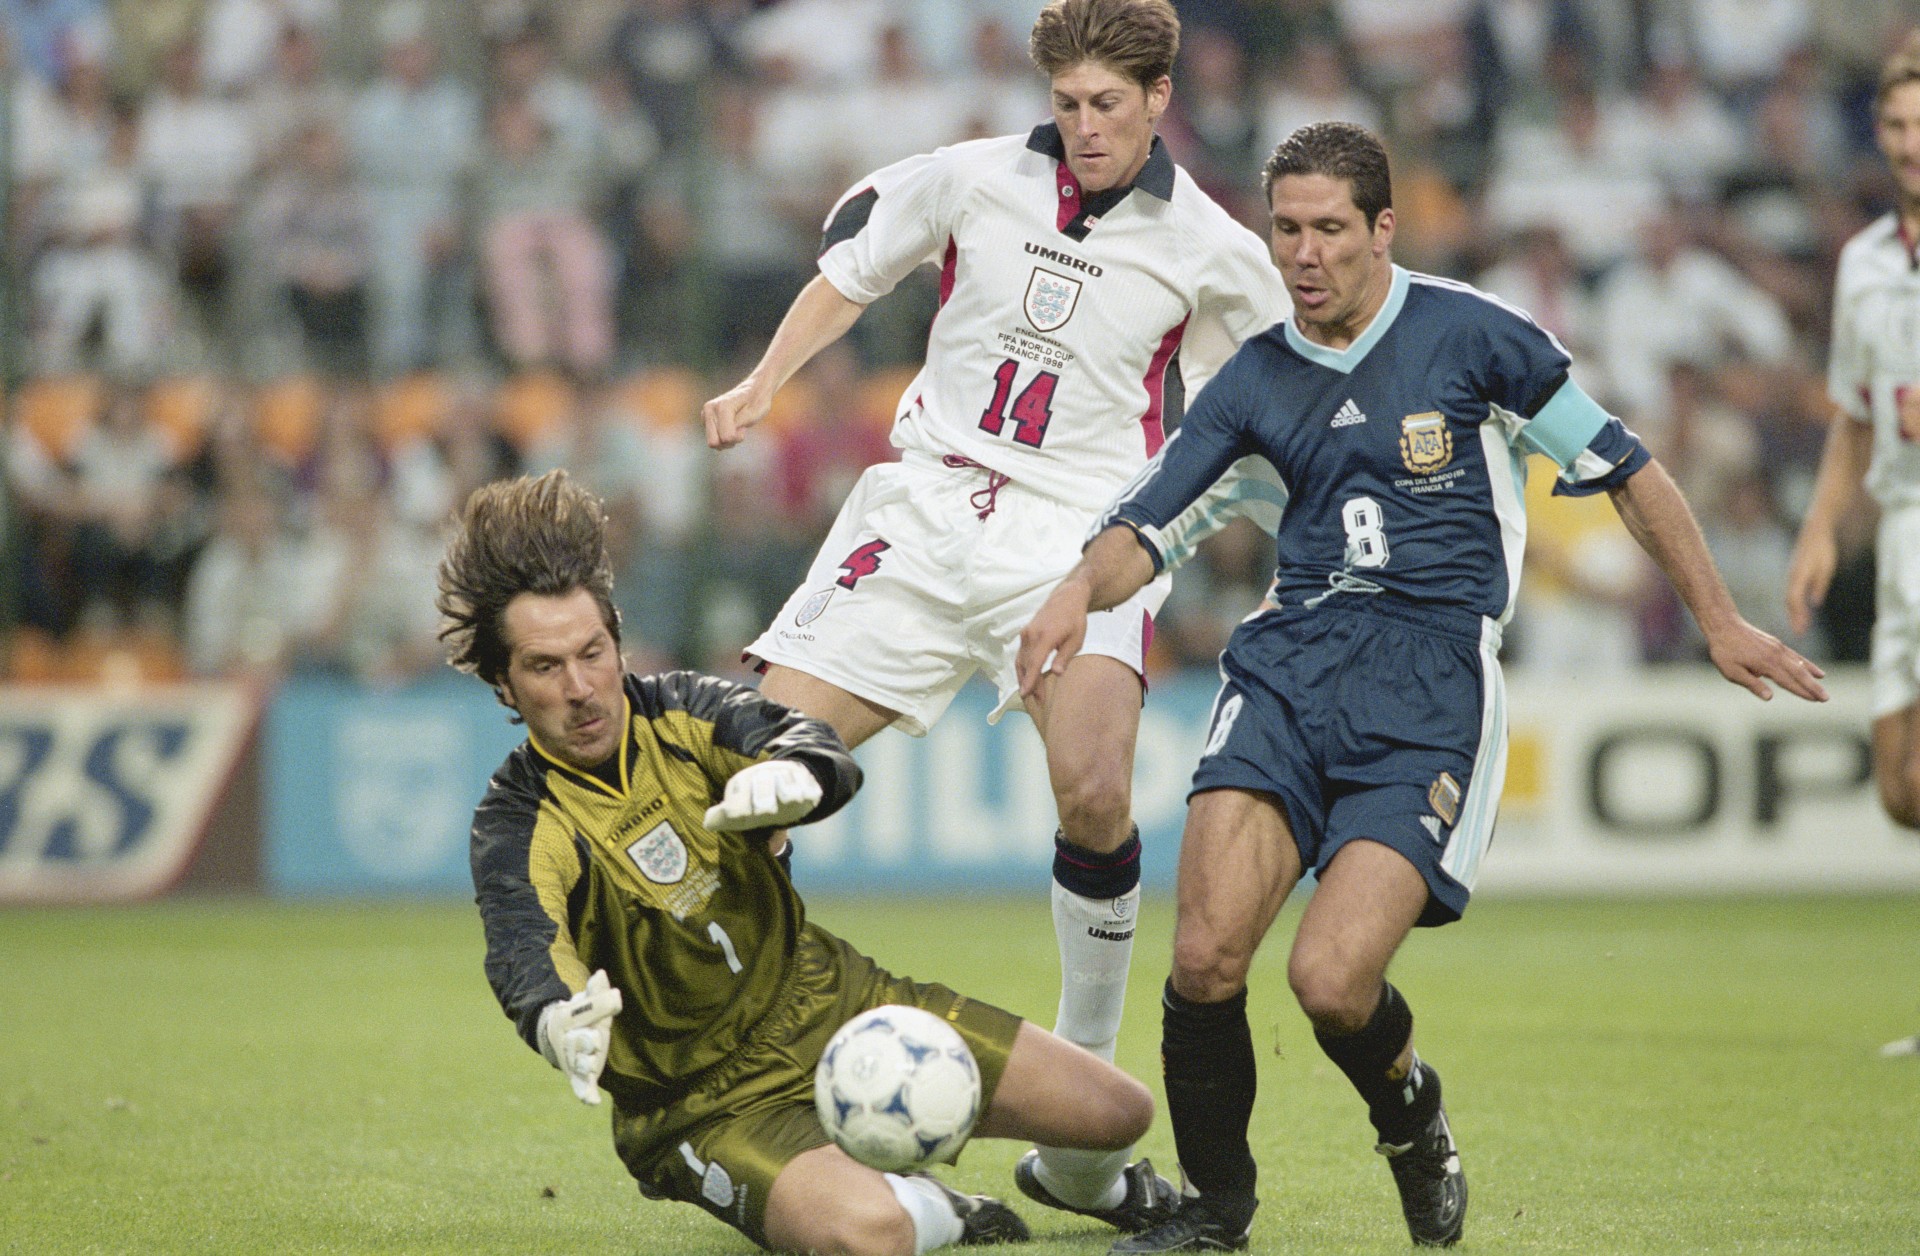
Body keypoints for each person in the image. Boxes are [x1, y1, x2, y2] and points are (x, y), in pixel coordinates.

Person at [1017, 121, 1829, 1253]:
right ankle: (1215, 1210)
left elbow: (1626, 468)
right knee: (1204, 957)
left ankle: (1411, 1110)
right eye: (1286, 229)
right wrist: (1072, 594)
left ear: (1383, 227)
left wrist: (1717, 618)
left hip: (1429, 676)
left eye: (1330, 230)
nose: (1304, 254)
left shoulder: (1474, 336)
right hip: (1290, 663)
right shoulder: (1254, 373)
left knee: (1331, 980)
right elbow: (1145, 524)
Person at [701, 0, 1289, 1229]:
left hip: (1077, 536)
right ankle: (745, 1082)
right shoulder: (969, 177)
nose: (1083, 128)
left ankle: (1079, 1137)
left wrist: (1210, 532)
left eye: (1107, 107)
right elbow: (846, 274)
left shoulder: (1213, 248)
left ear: (1160, 97)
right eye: (1067, 104)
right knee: (747, 775)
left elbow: (1263, 410)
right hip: (922, 512)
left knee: (1094, 789)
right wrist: (764, 381)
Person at [438, 469, 1168, 1256]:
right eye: (546, 667)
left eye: (593, 652)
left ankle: (1061, 1182)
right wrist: (553, 1016)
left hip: (836, 1005)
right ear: (504, 683)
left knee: (1118, 1113)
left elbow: (800, 738)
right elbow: (524, 947)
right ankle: (941, 1210)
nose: (581, 688)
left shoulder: (685, 711)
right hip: (704, 1105)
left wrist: (800, 774)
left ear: (617, 637)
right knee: (869, 1237)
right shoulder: (518, 822)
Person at [1786, 32, 1920, 1062]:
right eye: (1897, 125)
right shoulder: (1867, 260)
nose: (1911, 145)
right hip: (1902, 533)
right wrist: (1822, 528)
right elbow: (1853, 417)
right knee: (1900, 787)